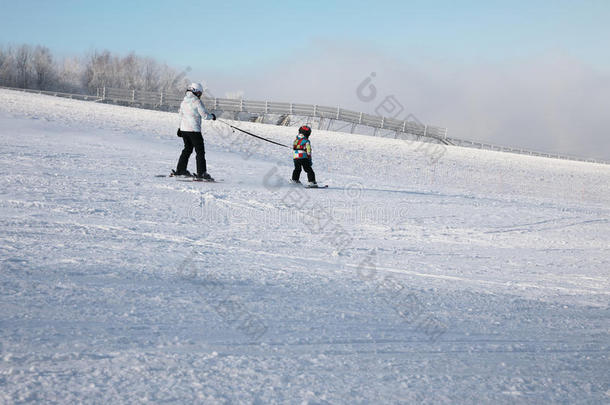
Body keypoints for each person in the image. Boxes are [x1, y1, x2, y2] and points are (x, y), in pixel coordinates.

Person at [173, 82, 216, 180]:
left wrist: (180, 128)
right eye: (200, 93)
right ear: (196, 92)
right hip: (194, 130)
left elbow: (181, 115)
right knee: (200, 151)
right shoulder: (196, 102)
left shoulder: (184, 101)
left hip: (184, 130)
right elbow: (204, 115)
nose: (200, 95)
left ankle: (180, 170)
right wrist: (212, 116)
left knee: (187, 149)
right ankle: (201, 173)